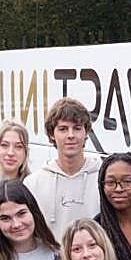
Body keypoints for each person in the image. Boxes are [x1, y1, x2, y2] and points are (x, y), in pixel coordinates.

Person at [23, 97, 101, 237]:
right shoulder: (33, 183)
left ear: (86, 132)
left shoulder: (103, 178)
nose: (70, 135)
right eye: (63, 129)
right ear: (52, 134)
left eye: (77, 128)